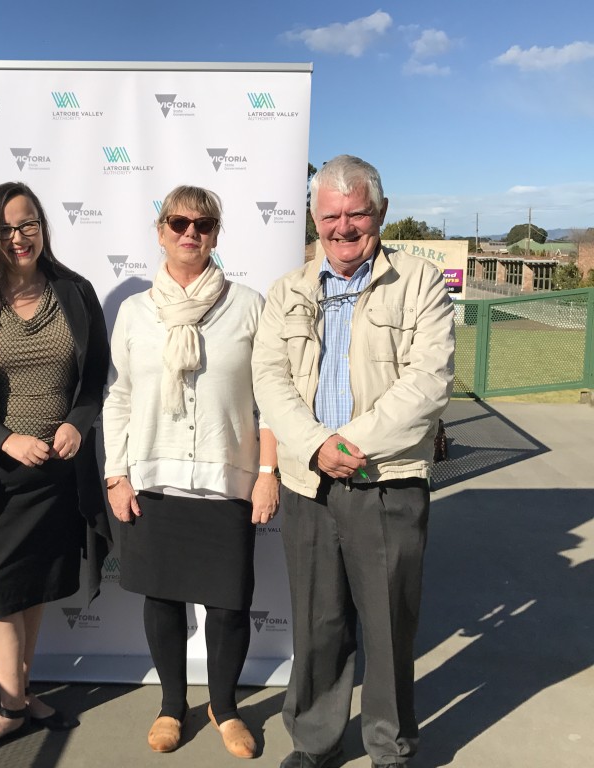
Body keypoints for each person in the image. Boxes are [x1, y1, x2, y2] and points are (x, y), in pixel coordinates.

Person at [252, 155, 455, 768]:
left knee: (389, 626)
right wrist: (315, 444)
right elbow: (269, 377)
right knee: (318, 622)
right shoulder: (288, 290)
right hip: (308, 481)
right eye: (331, 215)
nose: (343, 227)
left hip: (386, 481)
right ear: (315, 219)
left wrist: (352, 443)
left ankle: (389, 747)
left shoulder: (419, 283)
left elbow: (428, 381)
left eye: (357, 213)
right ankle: (315, 741)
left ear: (381, 214)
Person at [102, 185, 279, 759]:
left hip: (228, 479)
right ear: (160, 231)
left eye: (203, 225)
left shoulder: (248, 305)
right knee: (162, 600)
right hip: (154, 481)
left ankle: (224, 708)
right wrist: (116, 474)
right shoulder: (134, 312)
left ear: (216, 236)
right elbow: (119, 398)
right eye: (178, 222)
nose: (190, 233)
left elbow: (271, 399)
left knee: (228, 606)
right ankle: (171, 705)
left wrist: (269, 470)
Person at [0, 181, 111, 756]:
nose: (19, 236)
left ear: (43, 226)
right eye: (8, 227)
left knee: (30, 585)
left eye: (29, 223)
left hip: (59, 474)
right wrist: (6, 441)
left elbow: (93, 382)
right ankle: (12, 706)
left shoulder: (76, 293)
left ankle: (22, 695)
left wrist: (76, 424)